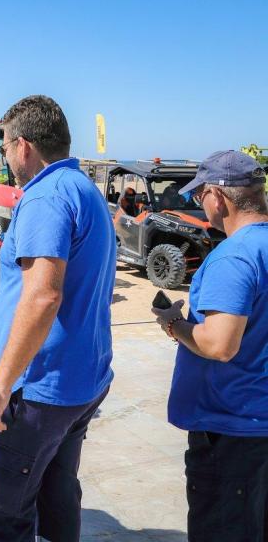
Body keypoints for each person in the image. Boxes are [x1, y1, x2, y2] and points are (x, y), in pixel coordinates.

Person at [0, 95, 116, 541]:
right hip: (80, 382)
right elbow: (58, 293)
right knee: (56, 499)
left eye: (4, 147)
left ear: (24, 146)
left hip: (39, 390)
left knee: (0, 515)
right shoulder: (83, 189)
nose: (4, 157)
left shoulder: (44, 197)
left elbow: (43, 298)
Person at [151, 150, 268, 539]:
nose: (199, 203)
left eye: (199, 195)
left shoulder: (234, 257)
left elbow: (220, 345)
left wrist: (176, 325)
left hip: (232, 431)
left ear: (218, 197)